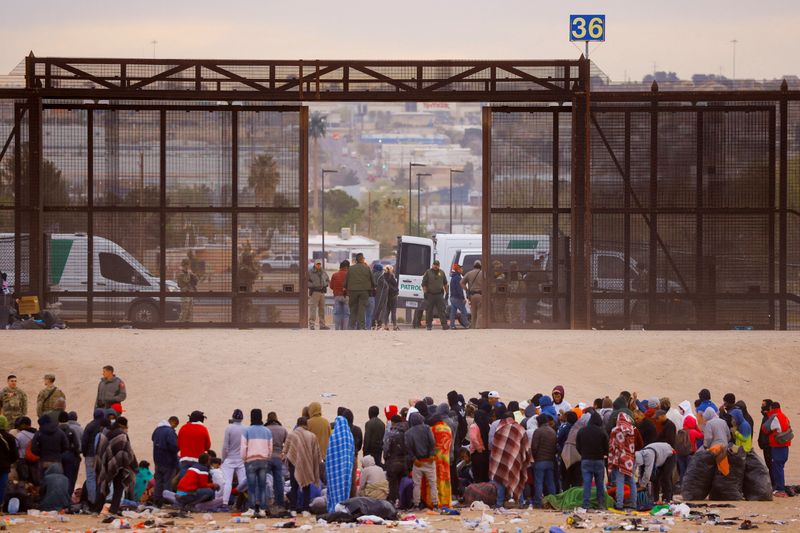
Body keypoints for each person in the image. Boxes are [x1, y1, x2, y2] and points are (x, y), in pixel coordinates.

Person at [94, 417, 137, 515]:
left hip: (107, 463)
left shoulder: (106, 433)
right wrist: (133, 464)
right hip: (121, 465)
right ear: (123, 425)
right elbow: (128, 452)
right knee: (119, 487)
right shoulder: (122, 435)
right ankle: (113, 509)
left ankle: (96, 509)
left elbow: (100, 450)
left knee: (103, 485)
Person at [489, 412, 531, 509]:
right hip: (516, 459)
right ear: (513, 418)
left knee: (500, 480)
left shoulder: (499, 429)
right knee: (517, 480)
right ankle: (520, 502)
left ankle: (499, 503)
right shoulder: (520, 429)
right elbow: (525, 446)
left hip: (501, 459)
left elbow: (493, 444)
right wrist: (525, 458)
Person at [282, 416, 321, 513]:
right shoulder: (312, 436)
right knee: (306, 485)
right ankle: (305, 509)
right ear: (306, 425)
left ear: (298, 424)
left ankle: (293, 508)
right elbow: (316, 454)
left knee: (294, 486)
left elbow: (285, 450)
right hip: (307, 463)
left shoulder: (292, 435)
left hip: (293, 463)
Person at [241, 409, 272, 517]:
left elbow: (243, 447)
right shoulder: (267, 431)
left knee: (251, 486)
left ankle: (252, 509)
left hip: (250, 461)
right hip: (263, 461)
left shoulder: (247, 430)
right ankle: (263, 510)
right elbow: (270, 447)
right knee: (262, 486)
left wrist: (244, 458)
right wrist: (267, 457)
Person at [576, 411, 608, 509]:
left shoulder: (582, 431)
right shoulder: (602, 432)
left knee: (586, 484)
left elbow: (578, 446)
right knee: (599, 484)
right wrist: (603, 454)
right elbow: (606, 447)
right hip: (599, 460)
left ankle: (586, 505)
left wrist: (583, 454)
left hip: (586, 460)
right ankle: (601, 504)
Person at [406, 412, 438, 509]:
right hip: (429, 460)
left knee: (417, 485)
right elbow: (432, 442)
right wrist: (432, 454)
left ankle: (416, 504)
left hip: (417, 462)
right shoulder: (427, 428)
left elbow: (408, 448)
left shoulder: (408, 433)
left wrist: (414, 459)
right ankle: (435, 504)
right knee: (433, 483)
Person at [761, 401, 792, 497]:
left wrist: (768, 416)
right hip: (785, 446)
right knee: (780, 467)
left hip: (777, 446)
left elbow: (765, 429)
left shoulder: (774, 417)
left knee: (777, 467)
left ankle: (780, 490)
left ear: (771, 408)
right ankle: (780, 488)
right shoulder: (784, 416)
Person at [326, 415, 355, 513]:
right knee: (345, 484)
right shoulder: (349, 436)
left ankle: (334, 507)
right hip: (346, 467)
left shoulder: (334, 437)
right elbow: (352, 451)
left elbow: (329, 453)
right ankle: (343, 506)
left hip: (334, 469)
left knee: (334, 487)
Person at [608, 413, 636, 511]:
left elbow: (612, 445)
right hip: (630, 458)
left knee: (620, 481)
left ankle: (619, 504)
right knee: (632, 481)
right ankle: (633, 503)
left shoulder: (616, 430)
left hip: (620, 458)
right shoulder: (632, 429)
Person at [426, 405, 453, 508]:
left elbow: (430, 444)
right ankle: (446, 501)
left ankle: (436, 501)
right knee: (446, 479)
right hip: (445, 457)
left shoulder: (433, 429)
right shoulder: (448, 428)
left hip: (435, 458)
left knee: (435, 479)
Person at [151, 416, 179, 507]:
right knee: (168, 482)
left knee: (158, 482)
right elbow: (174, 446)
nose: (175, 428)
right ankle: (167, 501)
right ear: (173, 422)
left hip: (157, 460)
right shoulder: (170, 432)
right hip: (168, 461)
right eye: (175, 426)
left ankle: (157, 501)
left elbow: (153, 439)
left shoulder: (157, 430)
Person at [220, 409, 246, 507]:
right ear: (242, 418)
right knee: (243, 482)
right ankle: (243, 503)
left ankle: (225, 503)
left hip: (230, 459)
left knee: (227, 482)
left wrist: (224, 459)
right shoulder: (246, 429)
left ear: (233, 417)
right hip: (241, 459)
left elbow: (225, 447)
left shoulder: (229, 428)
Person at [530, 413, 557, 507]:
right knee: (550, 482)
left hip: (540, 461)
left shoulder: (538, 431)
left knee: (539, 482)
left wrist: (535, 457)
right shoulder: (552, 431)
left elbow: (534, 447)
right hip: (550, 460)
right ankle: (553, 502)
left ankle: (538, 503)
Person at [383, 414, 409, 504]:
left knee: (393, 483)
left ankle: (393, 502)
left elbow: (386, 448)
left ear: (393, 423)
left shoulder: (391, 434)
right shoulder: (406, 432)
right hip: (404, 461)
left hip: (393, 462)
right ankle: (403, 502)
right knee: (403, 483)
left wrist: (386, 458)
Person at [345, 253, 375, 330]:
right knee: (362, 309)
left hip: (352, 291)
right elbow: (372, 281)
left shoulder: (351, 268)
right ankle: (362, 327)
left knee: (353, 309)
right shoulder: (367, 268)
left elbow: (346, 281)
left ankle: (351, 326)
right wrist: (373, 287)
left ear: (356, 260)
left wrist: (345, 287)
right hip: (364, 291)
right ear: (362, 259)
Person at [178, 411, 211, 478]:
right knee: (194, 481)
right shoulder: (203, 429)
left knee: (184, 480)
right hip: (197, 460)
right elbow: (208, 446)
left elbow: (178, 445)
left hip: (184, 459)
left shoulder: (183, 428)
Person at [265, 412, 287, 509]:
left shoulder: (265, 430)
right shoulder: (283, 429)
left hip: (267, 457)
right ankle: (280, 503)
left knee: (267, 480)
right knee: (278, 481)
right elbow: (287, 444)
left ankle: (268, 501)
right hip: (278, 457)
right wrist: (283, 454)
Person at [57, 411, 82, 495]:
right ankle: (67, 498)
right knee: (69, 478)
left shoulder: (56, 431)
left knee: (58, 477)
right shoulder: (71, 431)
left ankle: (59, 496)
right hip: (70, 456)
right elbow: (77, 445)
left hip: (57, 457)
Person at [421, 260, 449, 331]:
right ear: (432, 265)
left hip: (439, 294)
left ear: (439, 265)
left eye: (437, 265)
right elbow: (424, 283)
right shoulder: (428, 272)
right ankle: (429, 325)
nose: (435, 266)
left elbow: (445, 283)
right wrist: (425, 292)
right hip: (430, 294)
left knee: (442, 310)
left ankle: (444, 325)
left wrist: (447, 293)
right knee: (429, 310)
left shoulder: (442, 272)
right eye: (434, 264)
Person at [0, 416, 18, 507]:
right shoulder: (10, 438)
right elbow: (15, 455)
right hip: (4, 467)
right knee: (2, 487)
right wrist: (8, 462)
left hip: (4, 465)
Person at [461, 260, 484, 329]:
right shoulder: (483, 273)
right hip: (481, 295)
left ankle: (473, 327)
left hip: (472, 295)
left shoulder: (469, 273)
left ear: (474, 266)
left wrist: (467, 290)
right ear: (480, 266)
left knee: (473, 313)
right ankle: (478, 327)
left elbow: (461, 283)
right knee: (480, 312)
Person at [307, 259, 330, 330]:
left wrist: (325, 284)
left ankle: (322, 325)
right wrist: (314, 285)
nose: (318, 265)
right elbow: (307, 282)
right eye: (317, 264)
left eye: (319, 264)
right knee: (313, 309)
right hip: (314, 292)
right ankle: (311, 325)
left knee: (322, 309)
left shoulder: (323, 272)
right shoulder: (310, 272)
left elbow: (327, 280)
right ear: (314, 264)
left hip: (322, 292)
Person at [468, 410, 490, 482]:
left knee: (478, 476)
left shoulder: (474, 426)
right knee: (485, 475)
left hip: (477, 453)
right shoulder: (487, 426)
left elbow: (473, 438)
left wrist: (479, 449)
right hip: (486, 453)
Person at [376, 265, 399, 330]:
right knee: (393, 311)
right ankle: (394, 326)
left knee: (387, 311)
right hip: (393, 296)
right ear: (390, 270)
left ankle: (386, 325)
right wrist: (396, 292)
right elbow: (395, 286)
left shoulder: (382, 277)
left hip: (386, 296)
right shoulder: (391, 276)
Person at [447, 263, 470, 329]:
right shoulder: (458, 278)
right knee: (464, 311)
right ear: (458, 270)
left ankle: (452, 325)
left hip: (452, 297)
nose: (462, 270)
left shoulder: (453, 277)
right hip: (457, 298)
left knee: (453, 312)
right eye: (461, 269)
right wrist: (463, 298)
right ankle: (466, 324)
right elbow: (459, 289)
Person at [758, 399, 775, 488]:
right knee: (769, 465)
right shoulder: (766, 416)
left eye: (763, 405)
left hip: (769, 445)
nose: (762, 406)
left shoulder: (770, 417)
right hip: (765, 445)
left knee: (771, 466)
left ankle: (774, 484)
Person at [176, 257, 199, 322]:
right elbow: (181, 284)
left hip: (190, 293)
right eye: (185, 265)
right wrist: (189, 275)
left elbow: (196, 280)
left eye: (187, 265)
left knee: (190, 311)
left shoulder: (189, 273)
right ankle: (181, 324)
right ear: (183, 265)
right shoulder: (181, 274)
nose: (186, 266)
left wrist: (193, 276)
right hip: (184, 294)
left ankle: (189, 325)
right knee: (184, 311)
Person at [330, 260, 350, 330]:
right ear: (347, 267)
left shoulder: (334, 275)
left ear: (340, 267)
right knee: (346, 314)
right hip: (346, 296)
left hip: (337, 296)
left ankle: (337, 328)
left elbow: (331, 286)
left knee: (337, 313)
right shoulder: (349, 275)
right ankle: (344, 329)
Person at [366, 262, 383, 329]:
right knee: (378, 310)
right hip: (378, 295)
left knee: (369, 312)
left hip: (369, 295)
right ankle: (378, 324)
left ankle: (371, 325)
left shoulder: (371, 274)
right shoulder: (381, 275)